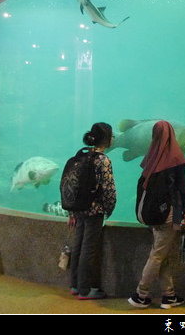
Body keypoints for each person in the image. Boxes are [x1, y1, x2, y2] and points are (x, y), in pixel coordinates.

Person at [128, 120, 185, 309]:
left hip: (154, 215)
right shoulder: (175, 159)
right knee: (157, 255)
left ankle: (169, 296)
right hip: (170, 217)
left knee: (162, 255)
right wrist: (184, 214)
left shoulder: (151, 158)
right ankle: (141, 294)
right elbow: (182, 190)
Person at [68, 122, 117, 300]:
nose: (112, 138)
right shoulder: (103, 160)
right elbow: (108, 189)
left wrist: (71, 211)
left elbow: (72, 185)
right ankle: (85, 290)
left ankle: (74, 285)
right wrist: (109, 208)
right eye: (111, 136)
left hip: (79, 209)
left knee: (78, 246)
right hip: (94, 211)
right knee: (88, 249)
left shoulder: (82, 156)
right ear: (106, 139)